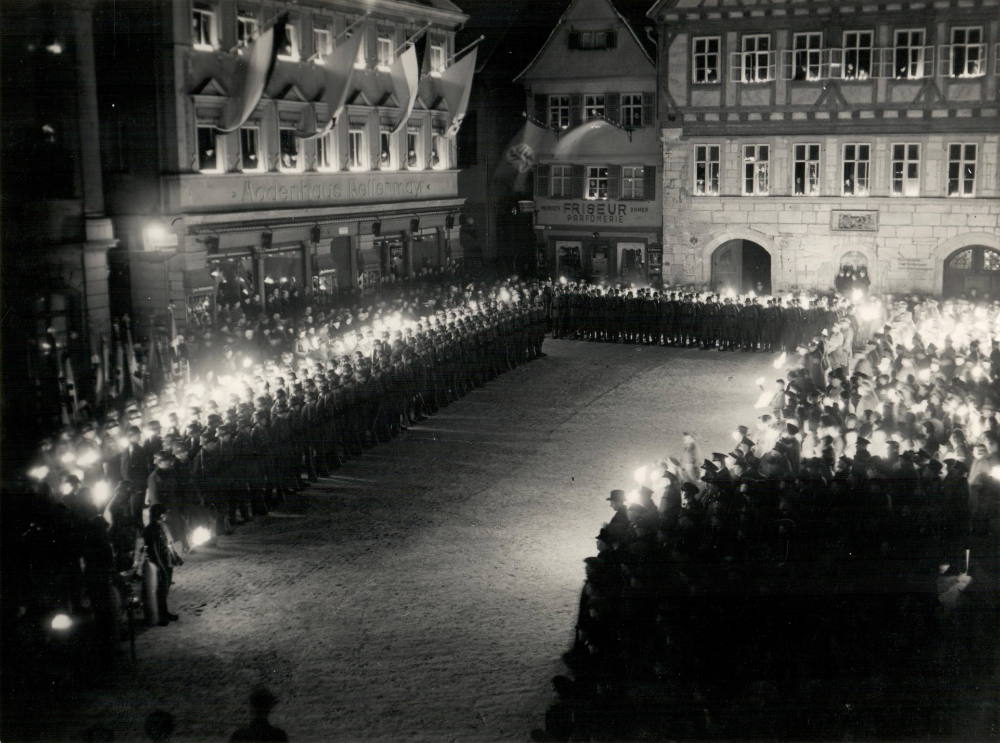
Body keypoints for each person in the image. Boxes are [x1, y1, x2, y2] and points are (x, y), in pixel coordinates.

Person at [143, 503, 180, 626]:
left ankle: (164, 612)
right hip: (159, 563)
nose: (165, 515)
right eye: (164, 513)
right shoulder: (150, 529)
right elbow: (153, 550)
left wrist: (175, 556)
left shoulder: (161, 526)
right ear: (159, 514)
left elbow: (168, 543)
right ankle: (160, 615)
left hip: (166, 561)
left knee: (165, 588)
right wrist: (161, 567)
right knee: (160, 590)